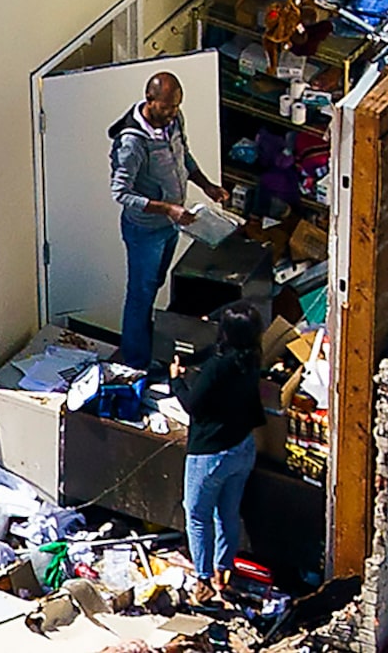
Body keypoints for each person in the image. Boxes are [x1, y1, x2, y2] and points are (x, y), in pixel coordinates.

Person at [109, 72, 214, 371]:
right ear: (150, 100)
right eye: (167, 107)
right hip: (144, 231)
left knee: (155, 284)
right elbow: (121, 193)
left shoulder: (174, 122)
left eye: (177, 106)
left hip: (170, 226)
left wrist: (206, 185)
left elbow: (185, 159)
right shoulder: (132, 143)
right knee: (140, 295)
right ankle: (136, 362)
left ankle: (147, 344)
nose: (173, 113)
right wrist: (168, 209)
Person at [176, 303, 268, 599]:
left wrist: (175, 380)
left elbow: (192, 405)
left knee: (197, 515)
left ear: (226, 333)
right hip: (242, 448)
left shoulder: (217, 367)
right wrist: (191, 358)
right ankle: (223, 572)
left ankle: (202, 581)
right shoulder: (252, 357)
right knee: (227, 512)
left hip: (211, 454)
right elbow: (214, 350)